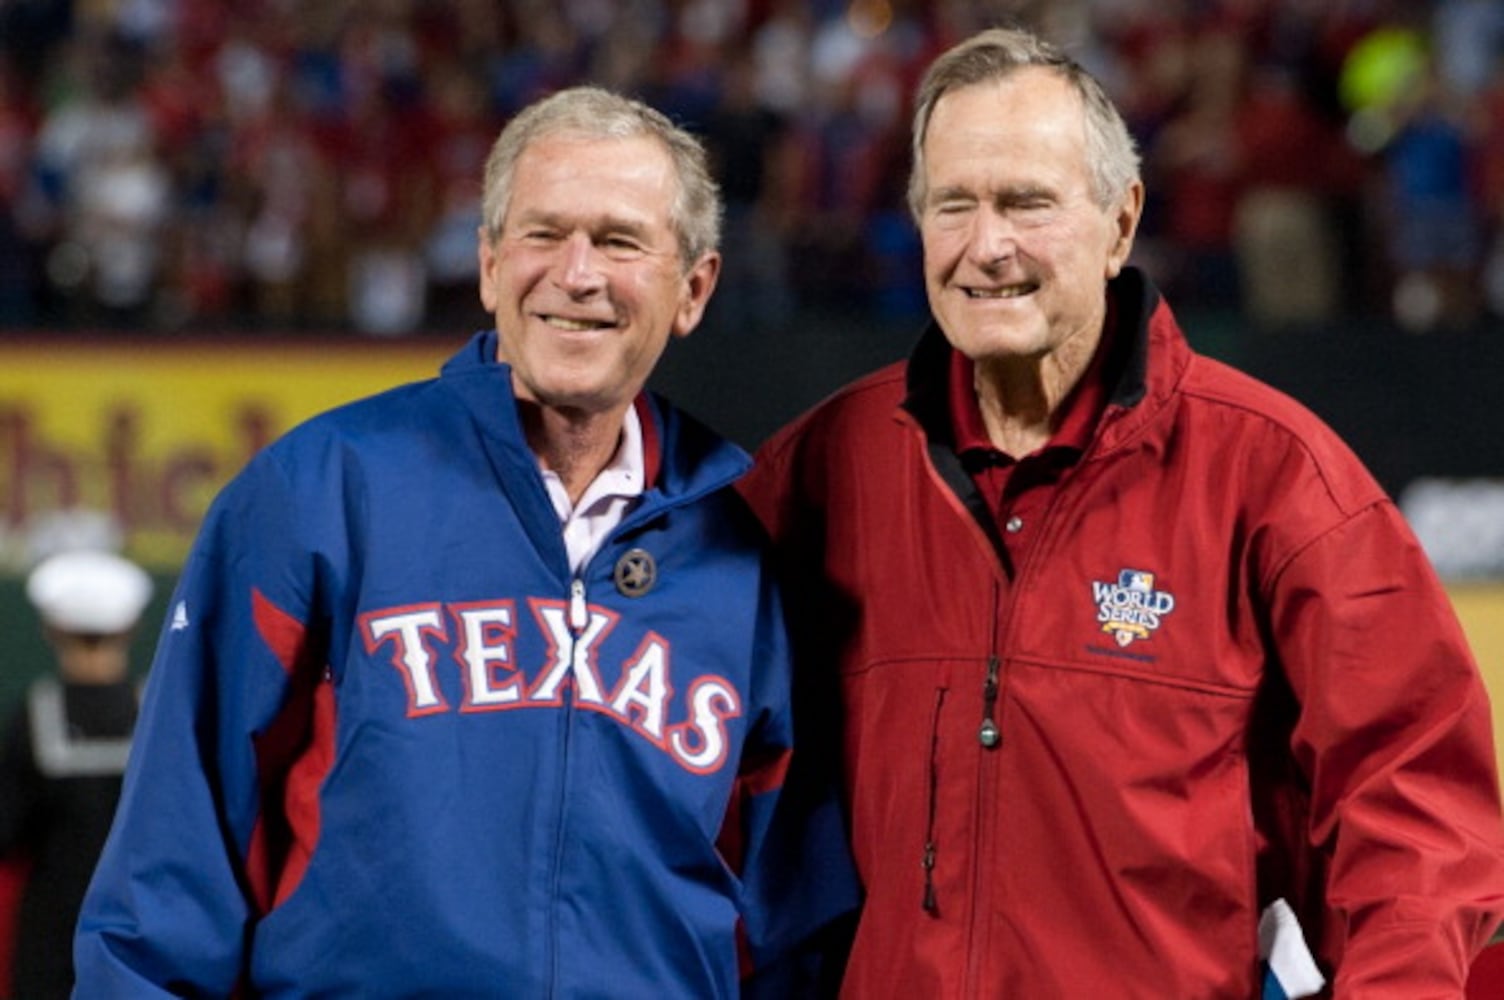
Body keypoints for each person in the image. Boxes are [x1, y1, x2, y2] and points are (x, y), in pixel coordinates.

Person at [739, 26, 1504, 998]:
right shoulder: (816, 471)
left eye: (1025, 203)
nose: (987, 246)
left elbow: (1414, 800)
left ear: (1119, 218)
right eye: (952, 205)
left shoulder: (1273, 474)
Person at [74, 85, 854, 997]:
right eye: (542, 234)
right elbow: (169, 878)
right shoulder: (321, 491)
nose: (576, 274)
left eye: (619, 241)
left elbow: (793, 928)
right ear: (488, 266)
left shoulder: (744, 550)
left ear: (694, 289)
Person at [0, 548, 153, 999]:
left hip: (53, 940)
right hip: (143, 930)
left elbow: (7, 833)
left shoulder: (31, 717)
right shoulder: (160, 717)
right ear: (132, 627)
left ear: (53, 629)